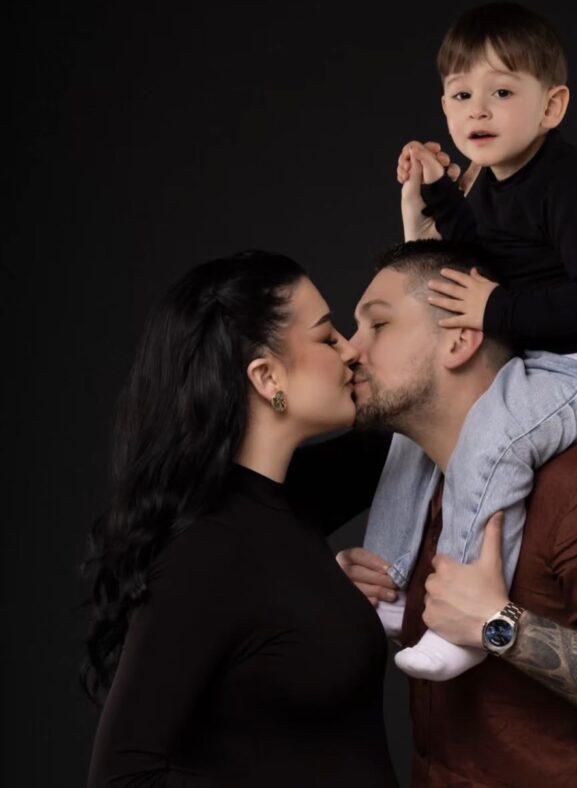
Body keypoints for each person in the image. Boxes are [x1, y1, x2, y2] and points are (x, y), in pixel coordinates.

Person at [338, 239, 577, 785]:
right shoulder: (428, 492)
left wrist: (499, 626)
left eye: (377, 325)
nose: (350, 350)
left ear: (459, 339)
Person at [363, 1, 577, 681]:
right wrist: (435, 193)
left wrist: (497, 307)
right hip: (538, 360)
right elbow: (475, 249)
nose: (479, 111)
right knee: (413, 432)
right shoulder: (492, 183)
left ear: (551, 107)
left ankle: (460, 615)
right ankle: (388, 585)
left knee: (492, 435)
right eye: (461, 95)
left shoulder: (569, 184)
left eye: (501, 93)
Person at [82, 251, 398, 787]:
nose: (350, 350)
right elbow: (122, 778)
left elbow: (417, 414)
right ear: (267, 376)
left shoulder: (288, 499)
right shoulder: (206, 551)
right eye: (327, 337)